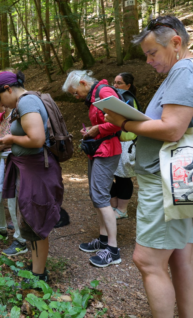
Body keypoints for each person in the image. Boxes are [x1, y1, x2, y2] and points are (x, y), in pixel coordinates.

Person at [104, 15, 193, 317]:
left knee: (147, 261)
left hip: (168, 181)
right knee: (181, 257)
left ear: (176, 42)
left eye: (153, 52)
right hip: (186, 178)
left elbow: (172, 129)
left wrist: (125, 121)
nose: (148, 61)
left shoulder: (184, 70)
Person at [0, 71, 63, 282]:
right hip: (29, 168)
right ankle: (35, 267)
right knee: (29, 218)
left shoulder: (26, 103)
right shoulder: (25, 102)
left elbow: (37, 139)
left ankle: (38, 276)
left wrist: (10, 139)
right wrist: (4, 143)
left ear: (8, 89)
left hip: (37, 170)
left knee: (35, 220)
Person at [62, 70, 122, 268]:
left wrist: (98, 129)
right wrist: (91, 130)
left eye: (75, 92)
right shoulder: (95, 94)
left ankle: (113, 251)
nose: (75, 96)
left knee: (101, 197)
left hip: (108, 150)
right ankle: (103, 240)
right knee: (97, 196)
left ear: (82, 83)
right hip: (98, 149)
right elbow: (104, 121)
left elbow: (120, 120)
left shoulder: (104, 92)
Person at [0, 85, 26, 256]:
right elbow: (6, 135)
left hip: (14, 162)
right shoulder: (5, 115)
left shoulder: (19, 111)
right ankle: (1, 230)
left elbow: (24, 138)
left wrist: (1, 142)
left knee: (12, 202)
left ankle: (21, 240)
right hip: (1, 160)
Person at [110, 72, 138, 219]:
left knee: (123, 178)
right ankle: (115, 206)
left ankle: (122, 209)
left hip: (127, 143)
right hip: (118, 142)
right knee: (114, 175)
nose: (115, 85)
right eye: (114, 82)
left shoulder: (127, 98)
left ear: (128, 85)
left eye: (119, 83)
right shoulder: (119, 97)